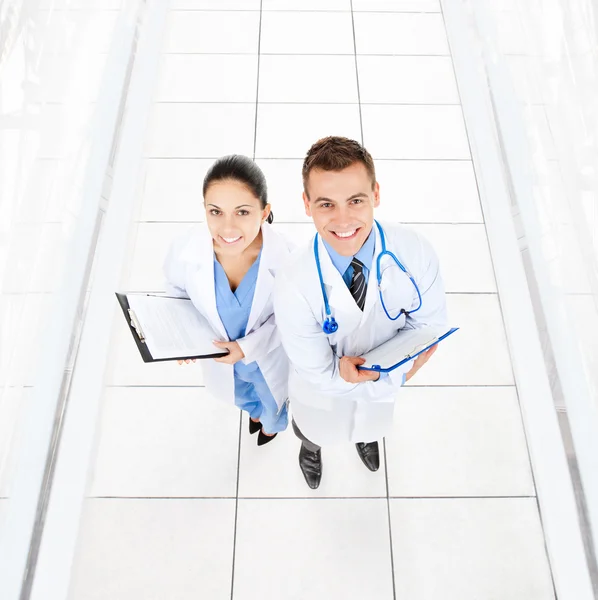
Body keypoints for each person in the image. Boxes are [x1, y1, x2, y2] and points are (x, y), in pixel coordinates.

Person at [273, 137, 447, 487]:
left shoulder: (415, 252)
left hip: (383, 389)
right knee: (315, 428)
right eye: (326, 204)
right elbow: (316, 370)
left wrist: (394, 373)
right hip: (320, 393)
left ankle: (364, 438)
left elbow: (430, 325)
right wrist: (359, 377)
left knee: (370, 422)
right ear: (307, 205)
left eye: (356, 201)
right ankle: (311, 449)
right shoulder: (293, 280)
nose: (343, 220)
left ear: (376, 195)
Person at [164, 155, 291, 445]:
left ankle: (269, 426)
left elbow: (291, 320)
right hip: (221, 361)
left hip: (266, 358)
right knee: (241, 395)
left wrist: (246, 348)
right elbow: (175, 291)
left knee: (272, 401)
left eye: (243, 212)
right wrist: (182, 338)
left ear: (264, 211)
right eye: (216, 212)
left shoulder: (289, 260)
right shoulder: (186, 249)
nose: (228, 228)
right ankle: (254, 414)